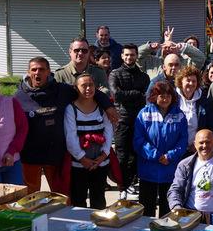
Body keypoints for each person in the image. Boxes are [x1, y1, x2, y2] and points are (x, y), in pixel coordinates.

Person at [15, 57, 113, 194]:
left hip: (56, 154)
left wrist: (107, 105)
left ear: (48, 72)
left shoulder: (63, 90)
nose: (38, 73)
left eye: (42, 69)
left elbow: (87, 91)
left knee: (61, 196)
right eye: (34, 70)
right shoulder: (18, 97)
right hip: (30, 156)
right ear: (28, 72)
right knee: (30, 198)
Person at [134, 80, 189, 217]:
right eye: (161, 96)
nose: (165, 99)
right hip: (148, 169)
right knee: (146, 210)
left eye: (168, 96)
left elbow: (183, 141)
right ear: (154, 96)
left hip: (170, 169)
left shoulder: (180, 116)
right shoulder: (144, 114)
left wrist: (169, 156)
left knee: (168, 210)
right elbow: (138, 140)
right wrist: (156, 155)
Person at [64, 74, 113, 209]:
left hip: (100, 163)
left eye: (90, 85)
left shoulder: (102, 108)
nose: (88, 88)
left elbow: (108, 132)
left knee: (99, 200)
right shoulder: (71, 109)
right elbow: (70, 137)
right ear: (76, 88)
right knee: (78, 200)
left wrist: (103, 155)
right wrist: (82, 159)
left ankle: (101, 228)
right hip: (79, 165)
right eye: (83, 85)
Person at [109, 43, 150, 198]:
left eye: (132, 54)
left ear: (136, 56)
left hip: (140, 120)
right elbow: (116, 95)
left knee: (137, 154)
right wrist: (137, 94)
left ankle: (132, 183)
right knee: (122, 154)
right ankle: (121, 186)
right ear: (122, 56)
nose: (129, 57)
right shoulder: (115, 74)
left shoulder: (144, 76)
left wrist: (131, 95)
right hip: (122, 120)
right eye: (126, 54)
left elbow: (146, 96)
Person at [139, 27, 204, 78]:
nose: (168, 50)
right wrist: (149, 47)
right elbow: (137, 57)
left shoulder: (186, 63)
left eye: (171, 48)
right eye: (165, 47)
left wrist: (184, 47)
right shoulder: (152, 62)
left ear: (177, 50)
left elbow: (200, 58)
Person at [175, 65, 212, 146]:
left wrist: (198, 143)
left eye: (194, 81)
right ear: (181, 81)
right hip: (175, 147)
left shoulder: (204, 100)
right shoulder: (173, 98)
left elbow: (210, 124)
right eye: (188, 80)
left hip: (196, 147)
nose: (191, 83)